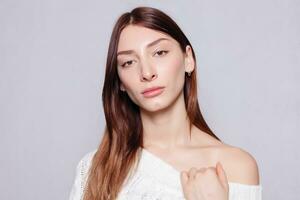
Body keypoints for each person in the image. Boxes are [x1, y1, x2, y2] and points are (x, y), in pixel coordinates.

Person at [69, 6, 262, 200]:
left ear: (188, 59)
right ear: (120, 82)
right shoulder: (96, 168)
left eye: (159, 52)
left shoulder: (236, 167)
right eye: (128, 62)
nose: (146, 73)